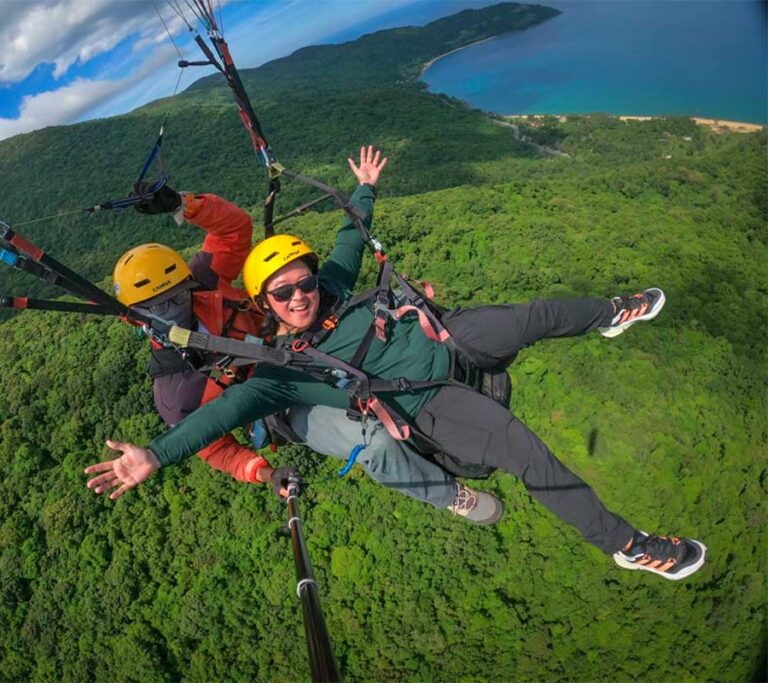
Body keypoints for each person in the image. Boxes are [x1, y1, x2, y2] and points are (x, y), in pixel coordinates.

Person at [87, 145, 706, 581]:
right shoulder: (279, 372)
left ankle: (611, 313)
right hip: (425, 398)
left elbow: (348, 239)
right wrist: (156, 454)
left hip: (446, 339)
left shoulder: (312, 287)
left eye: (300, 282)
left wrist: (365, 187)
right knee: (524, 451)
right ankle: (627, 544)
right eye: (284, 293)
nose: (299, 295)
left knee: (531, 315)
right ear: (265, 302)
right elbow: (216, 419)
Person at [109, 158, 499, 523]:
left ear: (186, 282)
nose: (177, 307)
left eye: (178, 294)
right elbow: (214, 446)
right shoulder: (175, 387)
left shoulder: (203, 282)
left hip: (299, 337)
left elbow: (234, 228)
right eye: (161, 306)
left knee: (401, 315)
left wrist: (181, 204)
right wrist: (263, 472)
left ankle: (465, 373)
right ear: (140, 318)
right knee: (375, 442)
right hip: (283, 403)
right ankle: (446, 493)